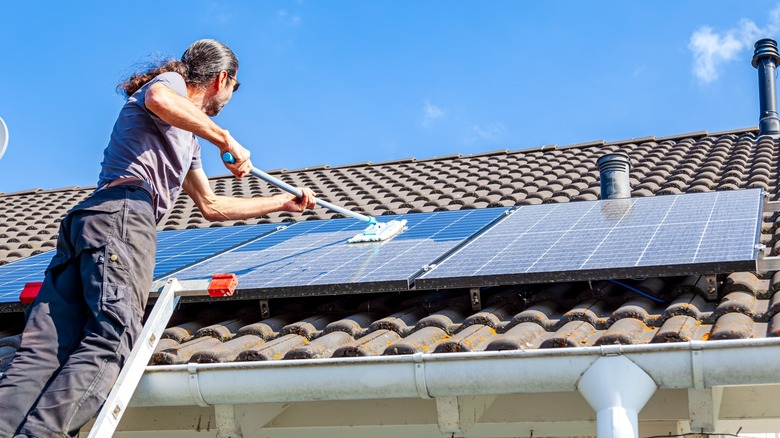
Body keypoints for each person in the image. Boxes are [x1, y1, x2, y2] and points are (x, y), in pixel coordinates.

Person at [0, 39, 316, 438]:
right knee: (113, 337)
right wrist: (226, 138)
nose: (230, 98)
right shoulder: (171, 88)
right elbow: (157, 97)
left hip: (90, 221)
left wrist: (283, 203)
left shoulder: (187, 139)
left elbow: (211, 206)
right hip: (123, 215)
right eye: (234, 89)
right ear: (223, 79)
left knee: (44, 349)